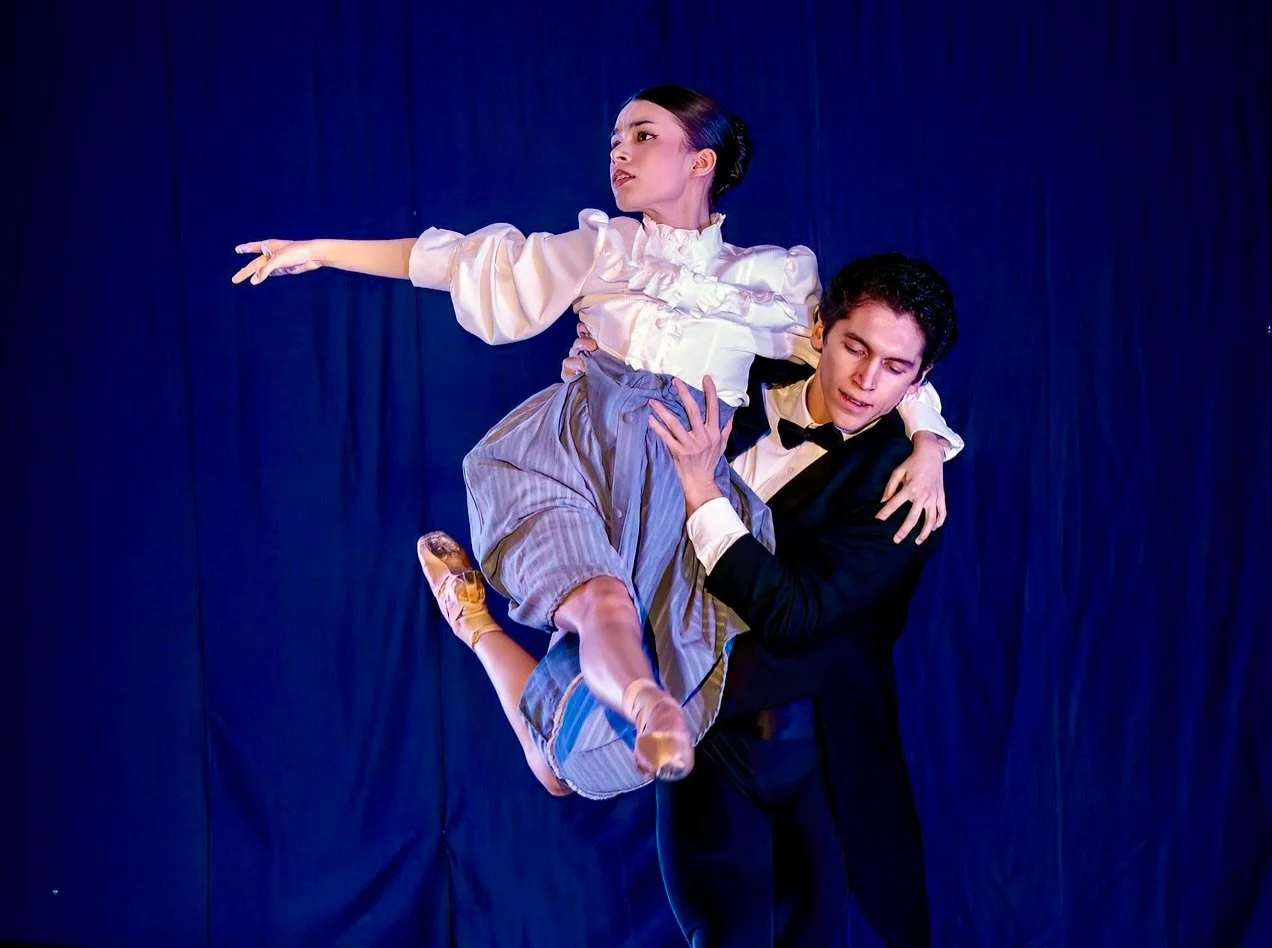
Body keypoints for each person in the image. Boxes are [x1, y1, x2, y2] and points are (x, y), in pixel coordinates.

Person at [427, 253, 959, 948]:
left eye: (899, 370)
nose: (867, 379)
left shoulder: (906, 486)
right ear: (823, 334)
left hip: (821, 755)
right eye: (854, 347)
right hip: (704, 722)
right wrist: (606, 370)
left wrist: (932, 437)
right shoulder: (739, 369)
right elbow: (639, 347)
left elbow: (799, 610)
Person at [232, 84, 959, 794]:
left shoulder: (770, 280)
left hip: (676, 482)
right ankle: (644, 700)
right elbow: (458, 262)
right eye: (614, 141)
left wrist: (927, 442)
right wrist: (324, 250)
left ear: (701, 161)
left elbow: (870, 349)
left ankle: (475, 624)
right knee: (603, 609)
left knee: (560, 769)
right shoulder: (601, 247)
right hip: (577, 452)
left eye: (642, 136)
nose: (620, 153)